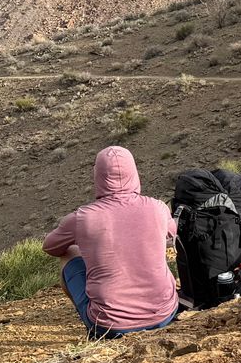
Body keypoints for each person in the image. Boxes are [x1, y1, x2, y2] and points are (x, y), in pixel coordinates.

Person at [42, 145, 179, 339]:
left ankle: (93, 327)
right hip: (164, 314)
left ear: (98, 176)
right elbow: (171, 234)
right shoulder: (158, 207)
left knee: (69, 252)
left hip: (110, 325)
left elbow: (50, 247)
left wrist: (89, 243)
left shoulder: (82, 217)